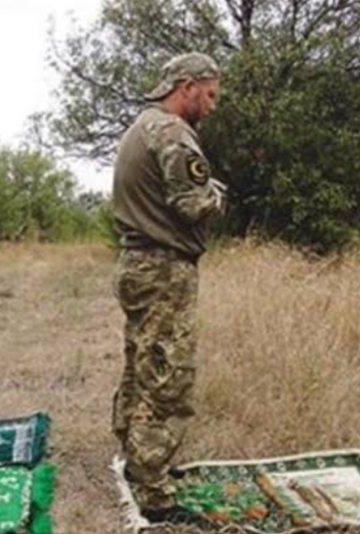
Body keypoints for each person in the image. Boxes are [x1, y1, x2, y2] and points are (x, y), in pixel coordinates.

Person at [110, 52, 227, 522]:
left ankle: (139, 459)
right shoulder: (173, 132)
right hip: (162, 266)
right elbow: (191, 202)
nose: (213, 105)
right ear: (187, 85)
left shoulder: (142, 126)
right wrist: (217, 195)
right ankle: (154, 490)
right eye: (211, 94)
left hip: (139, 260)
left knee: (143, 361)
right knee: (167, 375)